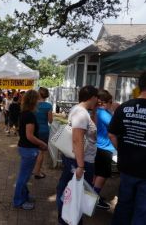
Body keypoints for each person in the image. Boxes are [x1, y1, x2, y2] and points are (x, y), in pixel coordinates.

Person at [109, 70, 146, 225]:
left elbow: (112, 134)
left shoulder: (123, 107)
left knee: (123, 207)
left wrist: (123, 151)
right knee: (143, 213)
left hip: (127, 168)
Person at [56, 85, 98, 225]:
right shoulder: (81, 113)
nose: (97, 101)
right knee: (71, 192)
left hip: (77, 159)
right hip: (80, 161)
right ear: (92, 97)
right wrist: (81, 166)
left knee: (69, 191)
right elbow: (77, 139)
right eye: (96, 98)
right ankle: (68, 220)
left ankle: (69, 219)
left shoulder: (80, 110)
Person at [13, 90, 48, 210]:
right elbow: (30, 136)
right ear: (34, 100)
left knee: (25, 176)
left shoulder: (25, 113)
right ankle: (18, 201)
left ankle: (25, 196)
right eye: (37, 99)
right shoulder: (29, 115)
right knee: (23, 177)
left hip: (26, 148)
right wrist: (42, 143)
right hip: (28, 149)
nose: (39, 101)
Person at [93, 89, 116, 210]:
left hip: (98, 146)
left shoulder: (97, 111)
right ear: (105, 102)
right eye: (111, 102)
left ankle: (92, 195)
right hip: (104, 147)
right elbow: (116, 127)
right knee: (102, 174)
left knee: (97, 173)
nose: (112, 104)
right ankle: (94, 197)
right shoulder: (105, 114)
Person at [33, 87, 53, 180]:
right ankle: (37, 172)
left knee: (32, 151)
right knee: (41, 152)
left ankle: (32, 170)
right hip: (44, 131)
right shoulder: (48, 106)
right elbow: (50, 121)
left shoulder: (33, 105)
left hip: (33, 130)